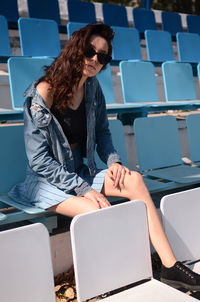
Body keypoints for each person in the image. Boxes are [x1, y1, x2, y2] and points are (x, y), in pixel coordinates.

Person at [9, 23, 200, 291]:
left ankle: (170, 267)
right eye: (90, 51)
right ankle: (115, 280)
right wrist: (84, 189)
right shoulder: (43, 92)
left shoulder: (92, 88)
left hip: (80, 171)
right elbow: (39, 161)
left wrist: (115, 163)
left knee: (133, 180)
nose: (95, 60)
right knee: (97, 209)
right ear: (76, 49)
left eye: (103, 56)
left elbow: (102, 134)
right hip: (44, 182)